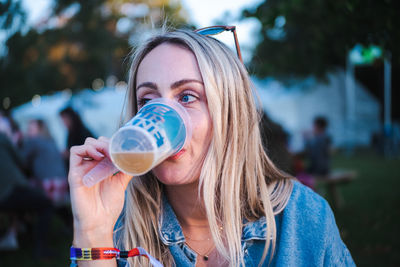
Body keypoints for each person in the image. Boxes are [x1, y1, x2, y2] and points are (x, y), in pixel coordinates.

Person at [69, 28, 355, 266]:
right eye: (147, 101)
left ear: (231, 113)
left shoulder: (301, 218)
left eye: (187, 97)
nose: (164, 115)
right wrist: (93, 231)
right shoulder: (117, 225)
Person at [0, 116, 53, 257]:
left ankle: (17, 235)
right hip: (8, 191)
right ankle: (41, 249)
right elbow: (22, 161)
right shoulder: (2, 139)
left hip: (8, 194)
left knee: (28, 199)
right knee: (45, 204)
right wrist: (15, 142)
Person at [21, 119, 68, 206]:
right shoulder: (51, 141)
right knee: (59, 208)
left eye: (30, 129)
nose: (28, 131)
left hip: (48, 184)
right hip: (62, 182)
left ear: (39, 129)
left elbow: (21, 159)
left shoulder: (33, 141)